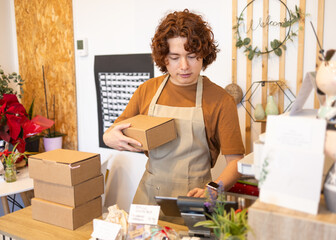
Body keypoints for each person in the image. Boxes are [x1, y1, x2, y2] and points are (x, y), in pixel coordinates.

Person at [103, 9, 245, 206]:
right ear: (164, 58)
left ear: (204, 54)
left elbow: (236, 162)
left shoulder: (221, 100)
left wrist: (212, 191)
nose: (184, 66)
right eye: (175, 57)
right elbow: (113, 132)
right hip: (149, 197)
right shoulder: (147, 90)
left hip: (196, 197)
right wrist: (109, 137)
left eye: (192, 55)